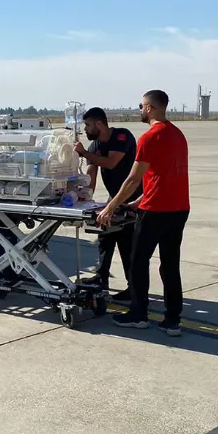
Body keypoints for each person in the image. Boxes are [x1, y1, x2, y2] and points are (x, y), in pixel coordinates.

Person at [97, 90, 190, 337]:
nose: (140, 110)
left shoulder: (149, 137)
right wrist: (138, 201)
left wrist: (110, 206)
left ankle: (139, 315)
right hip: (179, 209)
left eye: (141, 106)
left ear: (149, 108)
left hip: (156, 212)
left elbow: (132, 179)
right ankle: (173, 320)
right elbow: (163, 175)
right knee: (170, 265)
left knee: (137, 262)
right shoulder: (178, 135)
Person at [73, 107, 139, 299]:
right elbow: (91, 175)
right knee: (105, 236)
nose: (85, 129)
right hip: (114, 198)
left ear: (99, 124)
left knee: (127, 242)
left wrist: (84, 153)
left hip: (132, 197)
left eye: (88, 125)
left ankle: (134, 288)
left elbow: (111, 162)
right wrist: (85, 197)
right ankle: (101, 278)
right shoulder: (94, 146)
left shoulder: (122, 136)